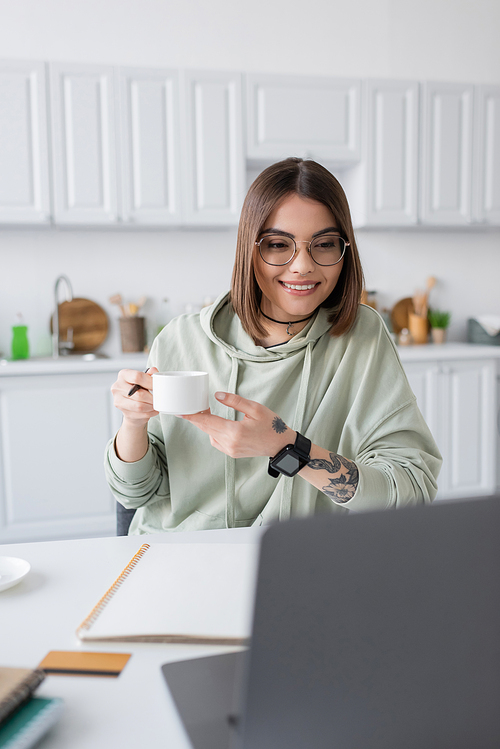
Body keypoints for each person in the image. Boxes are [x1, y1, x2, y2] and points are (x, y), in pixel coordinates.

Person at [105, 158, 442, 534]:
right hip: (181, 557)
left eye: (325, 244)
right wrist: (132, 423)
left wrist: (289, 449)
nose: (302, 266)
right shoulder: (179, 339)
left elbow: (412, 492)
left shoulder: (360, 337)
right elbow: (136, 494)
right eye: (278, 244)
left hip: (300, 564)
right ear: (249, 249)